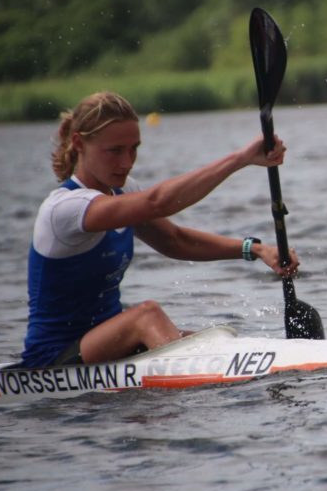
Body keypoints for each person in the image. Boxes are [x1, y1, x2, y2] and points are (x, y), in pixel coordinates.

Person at [21, 91, 298, 368]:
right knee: (148, 314)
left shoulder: (123, 191)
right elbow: (157, 203)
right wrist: (241, 159)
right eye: (115, 151)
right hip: (53, 359)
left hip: (107, 347)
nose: (127, 162)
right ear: (79, 143)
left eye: (134, 149)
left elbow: (175, 240)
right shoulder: (65, 208)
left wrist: (256, 249)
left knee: (214, 340)